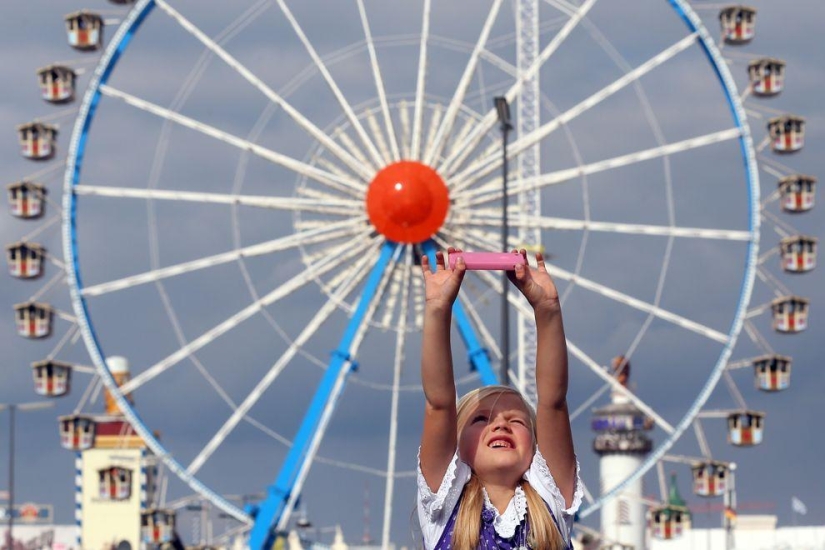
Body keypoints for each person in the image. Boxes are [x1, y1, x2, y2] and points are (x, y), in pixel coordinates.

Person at [417, 247, 581, 550]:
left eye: (516, 420)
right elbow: (439, 403)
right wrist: (438, 309)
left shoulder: (549, 498)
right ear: (455, 444)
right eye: (481, 419)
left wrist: (547, 310)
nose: (500, 425)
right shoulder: (444, 506)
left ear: (535, 446)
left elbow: (552, 402)